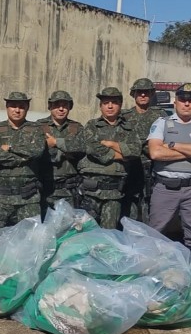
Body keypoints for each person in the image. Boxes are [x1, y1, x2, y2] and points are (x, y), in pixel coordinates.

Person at [147, 82, 191, 249]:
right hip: (165, 187)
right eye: (182, 99)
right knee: (155, 232)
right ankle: (152, 268)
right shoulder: (162, 123)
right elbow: (155, 153)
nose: (186, 103)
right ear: (175, 102)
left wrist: (172, 145)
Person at [0, 92, 46, 229]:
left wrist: (9, 148)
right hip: (1, 200)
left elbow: (36, 151)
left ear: (27, 108)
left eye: (21, 106)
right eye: (13, 106)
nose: (17, 110)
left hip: (28, 200)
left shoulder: (36, 130)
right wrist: (23, 157)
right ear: (7, 107)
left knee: (30, 240)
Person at [76, 86, 140, 229]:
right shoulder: (92, 126)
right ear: (100, 106)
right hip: (91, 191)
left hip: (114, 192)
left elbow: (136, 150)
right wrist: (122, 155)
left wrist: (110, 143)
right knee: (86, 232)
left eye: (114, 102)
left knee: (109, 234)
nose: (110, 106)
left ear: (120, 105)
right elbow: (92, 148)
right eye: (106, 103)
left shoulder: (128, 128)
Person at [121, 78, 168, 223]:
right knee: (129, 206)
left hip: (153, 167)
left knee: (151, 206)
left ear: (152, 94)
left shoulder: (161, 116)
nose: (142, 95)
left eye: (146, 92)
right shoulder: (124, 116)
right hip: (130, 167)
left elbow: (167, 141)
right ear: (133, 94)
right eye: (139, 92)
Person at [37, 90, 86, 211]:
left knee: (69, 226)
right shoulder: (38, 126)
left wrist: (55, 143)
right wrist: (66, 148)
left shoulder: (77, 127)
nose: (61, 109)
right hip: (46, 188)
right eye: (57, 105)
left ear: (70, 107)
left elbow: (82, 147)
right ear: (50, 106)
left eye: (65, 105)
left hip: (69, 188)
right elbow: (34, 150)